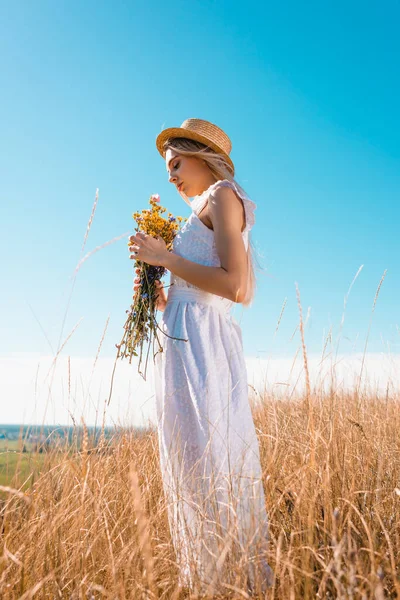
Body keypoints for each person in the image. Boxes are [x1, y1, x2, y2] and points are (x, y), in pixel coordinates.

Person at [129, 118, 272, 595]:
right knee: (190, 466)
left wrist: (164, 259)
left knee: (212, 462)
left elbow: (237, 287)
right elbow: (197, 289)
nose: (170, 175)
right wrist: (160, 296)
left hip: (205, 347)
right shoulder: (198, 210)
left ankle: (234, 581)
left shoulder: (222, 195)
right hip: (184, 337)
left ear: (200, 155)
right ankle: (209, 583)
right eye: (167, 168)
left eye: (176, 163)